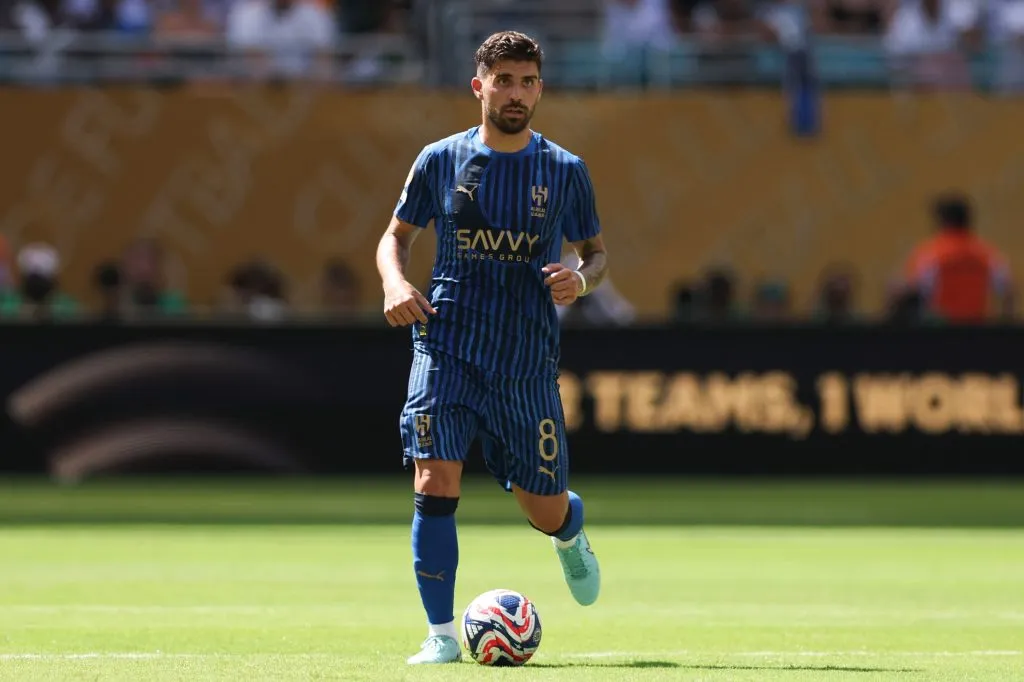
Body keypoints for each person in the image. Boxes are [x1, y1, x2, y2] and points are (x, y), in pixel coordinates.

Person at [375, 30, 609, 665]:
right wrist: (395, 282)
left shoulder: (564, 170)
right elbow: (395, 238)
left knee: (544, 507)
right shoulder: (439, 159)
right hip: (446, 344)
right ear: (479, 86)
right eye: (503, 81)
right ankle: (441, 636)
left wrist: (582, 280)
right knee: (434, 479)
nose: (515, 93)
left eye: (527, 82)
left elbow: (595, 253)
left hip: (524, 359)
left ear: (540, 89)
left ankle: (568, 531)